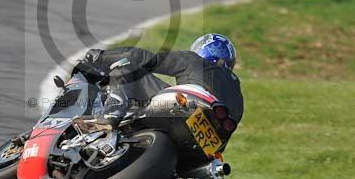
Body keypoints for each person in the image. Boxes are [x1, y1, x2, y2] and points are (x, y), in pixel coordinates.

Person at [76, 33, 243, 129]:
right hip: (200, 149)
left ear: (203, 50)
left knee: (127, 66)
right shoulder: (238, 94)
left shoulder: (195, 61)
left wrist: (101, 56)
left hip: (184, 110)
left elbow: (146, 59)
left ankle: (110, 114)